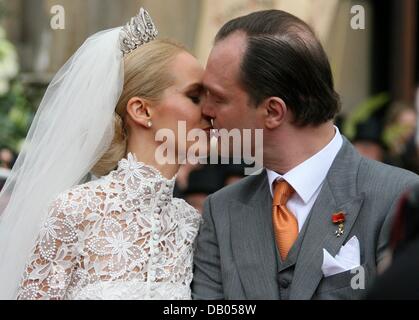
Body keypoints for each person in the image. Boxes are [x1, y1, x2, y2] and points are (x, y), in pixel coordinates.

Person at [192, 10, 419, 300]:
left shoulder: (398, 197)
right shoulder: (221, 210)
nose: (205, 111)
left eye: (218, 98)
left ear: (273, 111)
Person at [0, 8, 211, 300]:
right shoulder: (74, 211)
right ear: (141, 110)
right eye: (195, 97)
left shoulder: (192, 225)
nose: (209, 112)